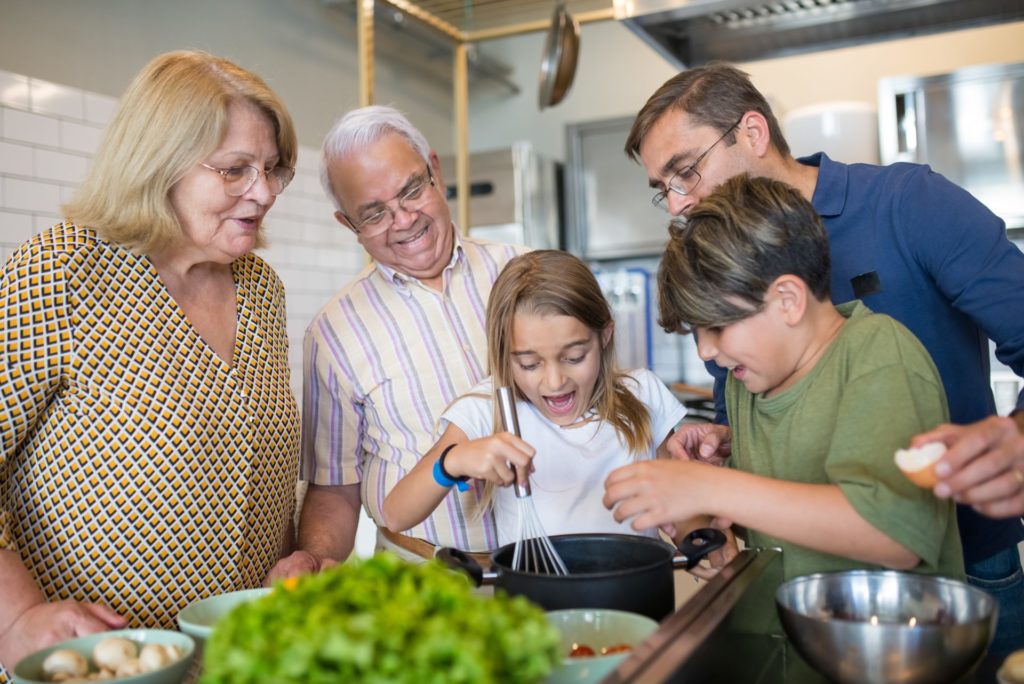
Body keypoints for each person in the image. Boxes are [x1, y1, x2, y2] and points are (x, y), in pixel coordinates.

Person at [624, 62, 1024, 656]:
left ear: (753, 133)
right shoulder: (722, 265)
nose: (680, 204)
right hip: (809, 588)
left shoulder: (909, 205)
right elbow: (755, 415)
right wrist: (718, 448)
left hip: (960, 567)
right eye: (665, 190)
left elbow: (891, 527)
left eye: (686, 172)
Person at [0, 50, 301, 671]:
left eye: (272, 169)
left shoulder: (260, 287)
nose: (264, 192)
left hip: (242, 658)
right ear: (158, 163)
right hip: (96, 665)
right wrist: (17, 618)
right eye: (234, 169)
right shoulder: (61, 273)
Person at [604, 174, 964, 588]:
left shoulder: (878, 355)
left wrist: (713, 487)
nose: (705, 351)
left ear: (788, 301)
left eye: (718, 327)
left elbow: (895, 534)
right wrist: (705, 510)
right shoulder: (750, 382)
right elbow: (773, 516)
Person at [279, 105, 526, 571]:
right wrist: (314, 558)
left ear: (435, 169)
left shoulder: (525, 272)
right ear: (347, 225)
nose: (403, 220)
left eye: (411, 190)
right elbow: (335, 487)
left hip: (548, 561)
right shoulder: (333, 333)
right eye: (373, 214)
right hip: (421, 577)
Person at [381, 250, 699, 551]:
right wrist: (452, 462)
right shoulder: (485, 410)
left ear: (604, 337)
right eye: (530, 364)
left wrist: (698, 542)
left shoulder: (642, 394)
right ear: (504, 354)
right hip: (533, 606)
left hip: (640, 600)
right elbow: (396, 514)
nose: (555, 381)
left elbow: (683, 507)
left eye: (574, 357)